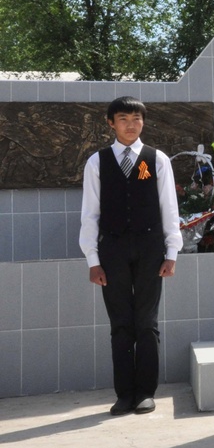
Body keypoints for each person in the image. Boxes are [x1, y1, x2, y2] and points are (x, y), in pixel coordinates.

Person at [79, 96, 182, 415]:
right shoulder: (97, 162)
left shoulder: (157, 159)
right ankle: (124, 394)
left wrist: (172, 252)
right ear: (111, 123)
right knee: (121, 323)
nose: (131, 124)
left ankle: (145, 393)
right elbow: (89, 214)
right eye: (123, 118)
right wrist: (92, 260)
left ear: (143, 122)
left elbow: (169, 208)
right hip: (112, 249)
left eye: (137, 118)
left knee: (147, 322)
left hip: (151, 248)